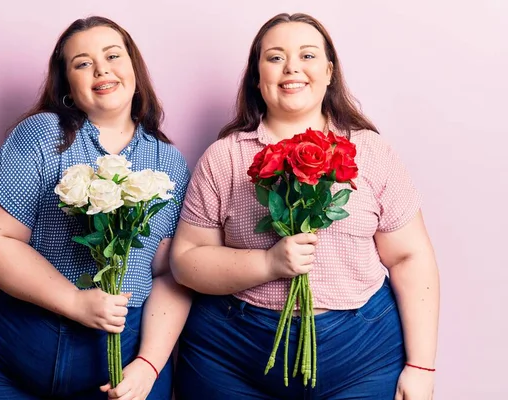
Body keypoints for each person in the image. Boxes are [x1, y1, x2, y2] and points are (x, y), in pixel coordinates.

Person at [171, 12, 439, 400]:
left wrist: (421, 367)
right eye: (275, 57)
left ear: (329, 72)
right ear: (256, 76)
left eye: (308, 56)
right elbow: (185, 261)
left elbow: (410, 258)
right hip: (232, 354)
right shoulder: (223, 158)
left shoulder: (372, 152)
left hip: (360, 353)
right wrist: (267, 264)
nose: (292, 67)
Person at [0, 16, 191, 400]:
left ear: (133, 68)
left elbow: (170, 273)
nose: (101, 68)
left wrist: (149, 365)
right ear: (68, 86)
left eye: (112, 55)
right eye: (82, 63)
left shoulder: (169, 163)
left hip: (113, 368)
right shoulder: (42, 135)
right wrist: (74, 301)